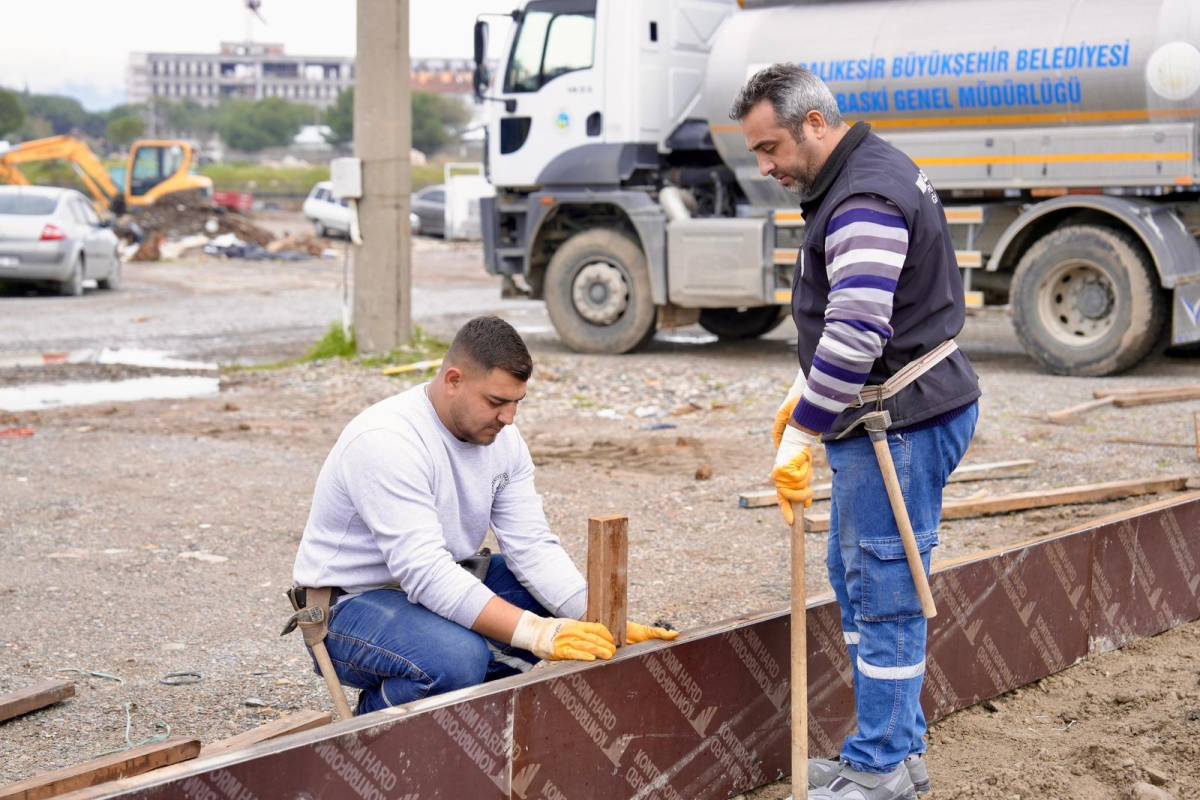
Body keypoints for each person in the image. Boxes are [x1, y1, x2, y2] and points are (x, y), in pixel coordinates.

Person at [731, 65, 981, 800]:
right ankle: (894, 749)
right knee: (863, 580)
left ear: (815, 124)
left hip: (895, 424)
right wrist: (805, 388)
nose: (766, 166)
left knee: (887, 593)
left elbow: (858, 332)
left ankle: (879, 770)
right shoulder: (861, 173)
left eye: (770, 147)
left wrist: (801, 431)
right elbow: (870, 316)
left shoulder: (864, 196)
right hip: (887, 413)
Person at [291, 315, 676, 714]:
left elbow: (533, 547)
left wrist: (597, 617)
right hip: (348, 607)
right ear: (454, 380)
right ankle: (374, 728)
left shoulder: (504, 441)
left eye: (516, 403)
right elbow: (423, 572)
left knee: (544, 599)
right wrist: (535, 634)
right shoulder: (387, 441)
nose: (509, 418)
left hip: (429, 587)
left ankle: (461, 717)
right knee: (458, 659)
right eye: (496, 402)